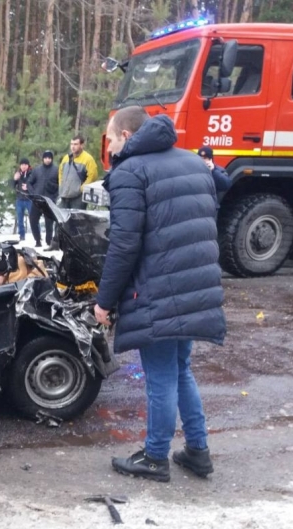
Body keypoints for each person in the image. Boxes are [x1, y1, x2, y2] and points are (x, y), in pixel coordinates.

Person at [94, 106, 226, 483]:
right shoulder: (192, 163)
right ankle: (197, 451)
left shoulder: (130, 172)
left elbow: (123, 245)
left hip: (158, 290)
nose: (110, 144)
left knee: (161, 376)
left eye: (111, 136)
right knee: (181, 368)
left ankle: (155, 457)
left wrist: (104, 301)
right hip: (195, 286)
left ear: (126, 135)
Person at [57, 134, 99, 209]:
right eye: (71, 144)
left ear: (82, 145)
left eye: (75, 144)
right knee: (62, 219)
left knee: (77, 219)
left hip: (78, 198)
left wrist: (81, 189)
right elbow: (60, 172)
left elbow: (93, 176)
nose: (73, 146)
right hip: (64, 195)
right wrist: (61, 185)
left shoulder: (88, 159)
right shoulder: (66, 158)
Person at [29, 150, 58, 248]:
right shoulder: (37, 170)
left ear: (52, 159)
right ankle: (37, 240)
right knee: (33, 220)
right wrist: (33, 194)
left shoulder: (56, 170)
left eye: (49, 158)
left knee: (49, 222)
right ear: (43, 159)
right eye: (46, 158)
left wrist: (55, 196)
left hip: (49, 200)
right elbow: (29, 182)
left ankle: (49, 241)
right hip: (37, 200)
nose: (47, 160)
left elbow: (60, 184)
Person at [198, 146, 231, 210]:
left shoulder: (218, 170)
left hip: (210, 207)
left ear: (210, 159)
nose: (202, 160)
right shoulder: (194, 170)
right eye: (200, 158)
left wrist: (213, 171)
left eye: (205, 158)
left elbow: (226, 184)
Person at [12, 157, 33, 242]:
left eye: (25, 164)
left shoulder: (32, 173)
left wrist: (28, 187)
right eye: (22, 164)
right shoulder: (18, 173)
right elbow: (12, 186)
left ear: (28, 165)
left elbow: (35, 185)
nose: (23, 166)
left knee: (33, 218)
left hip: (29, 199)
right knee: (20, 218)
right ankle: (21, 235)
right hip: (20, 199)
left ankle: (37, 234)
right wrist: (14, 180)